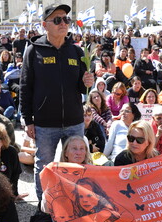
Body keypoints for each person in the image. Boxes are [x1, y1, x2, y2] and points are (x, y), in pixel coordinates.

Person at [20, 3, 94, 207]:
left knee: (75, 164)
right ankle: (43, 208)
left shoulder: (77, 52)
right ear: (45, 25)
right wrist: (27, 120)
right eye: (57, 19)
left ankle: (73, 205)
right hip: (45, 123)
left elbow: (81, 86)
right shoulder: (33, 51)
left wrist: (87, 82)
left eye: (66, 19)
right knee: (44, 165)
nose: (64, 23)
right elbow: (25, 87)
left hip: (74, 121)